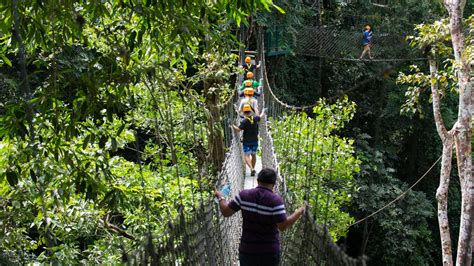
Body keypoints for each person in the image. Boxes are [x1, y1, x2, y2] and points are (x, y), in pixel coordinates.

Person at [215, 168, 306, 266]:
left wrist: (221, 197)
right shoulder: (275, 201)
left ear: (258, 180)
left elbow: (225, 212)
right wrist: (299, 211)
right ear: (273, 184)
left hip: (247, 251)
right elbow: (282, 226)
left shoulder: (244, 195)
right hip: (269, 252)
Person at [232, 105, 264, 176]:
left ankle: (251, 169)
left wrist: (232, 125)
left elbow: (238, 129)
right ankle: (253, 169)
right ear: (250, 111)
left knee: (246, 155)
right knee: (254, 155)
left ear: (244, 112)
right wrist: (263, 111)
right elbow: (260, 116)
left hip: (246, 141)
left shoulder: (244, 121)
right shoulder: (255, 118)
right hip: (255, 140)